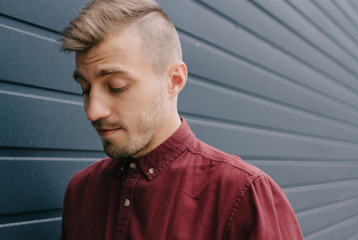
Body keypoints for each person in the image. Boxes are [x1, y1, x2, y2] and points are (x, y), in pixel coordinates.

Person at [59, 0, 303, 239]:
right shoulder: (82, 190)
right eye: (85, 88)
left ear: (174, 80)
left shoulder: (242, 194)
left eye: (116, 87)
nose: (93, 111)